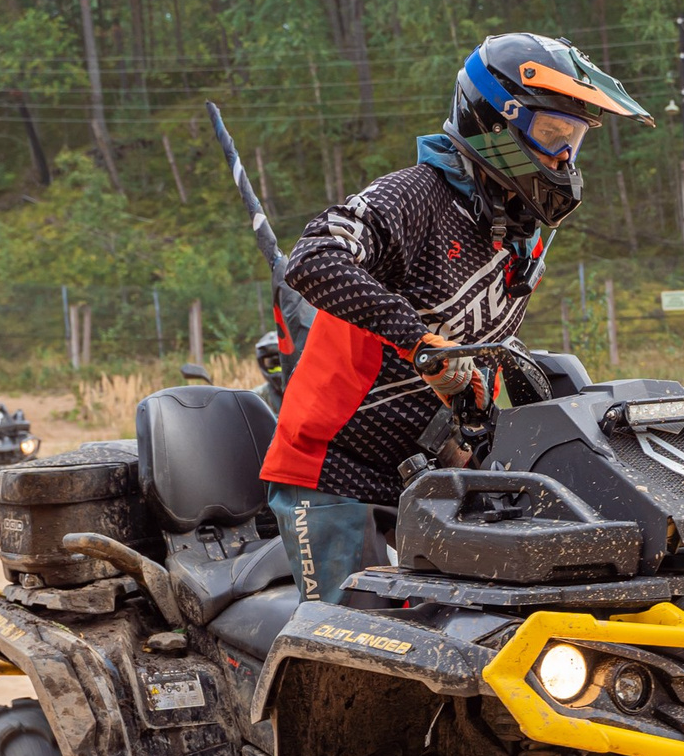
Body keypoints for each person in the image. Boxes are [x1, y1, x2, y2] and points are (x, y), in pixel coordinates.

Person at [259, 32, 653, 603]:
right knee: (354, 637)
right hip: (329, 469)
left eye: (575, 141)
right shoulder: (416, 197)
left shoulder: (521, 232)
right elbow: (312, 257)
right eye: (551, 136)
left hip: (424, 469)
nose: (565, 158)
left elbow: (482, 343)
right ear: (496, 122)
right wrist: (418, 343)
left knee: (473, 624)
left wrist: (479, 424)